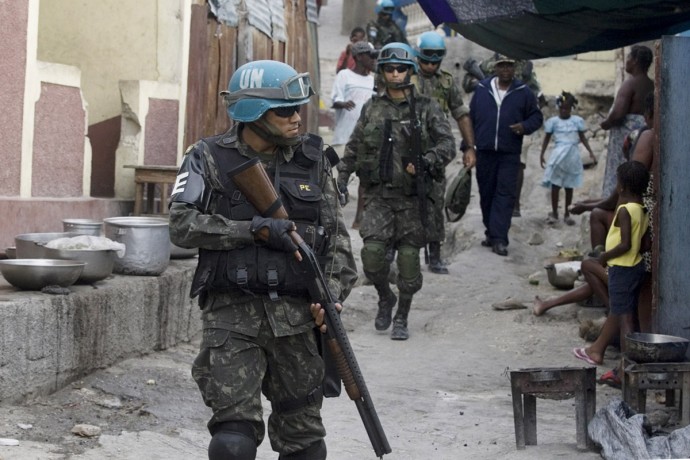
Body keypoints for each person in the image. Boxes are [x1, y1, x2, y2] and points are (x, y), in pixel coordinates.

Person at [168, 60, 358, 460]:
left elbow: (337, 243)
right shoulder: (208, 157)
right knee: (232, 442)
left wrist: (332, 297)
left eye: (297, 108)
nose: (296, 117)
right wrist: (251, 230)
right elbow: (182, 226)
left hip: (297, 318)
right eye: (284, 110)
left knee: (305, 443)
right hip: (231, 316)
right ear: (253, 113)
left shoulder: (314, 158)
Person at [337, 42, 455, 340]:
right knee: (373, 258)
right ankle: (384, 296)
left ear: (410, 71)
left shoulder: (427, 108)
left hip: (414, 199)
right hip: (379, 197)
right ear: (382, 72)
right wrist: (341, 177)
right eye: (389, 68)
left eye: (401, 68)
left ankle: (402, 314)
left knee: (408, 262)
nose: (395, 73)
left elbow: (447, 145)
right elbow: (353, 148)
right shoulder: (372, 108)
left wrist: (427, 160)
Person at [572, 161, 650, 368]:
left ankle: (626, 365)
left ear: (622, 187)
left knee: (625, 320)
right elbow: (645, 244)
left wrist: (605, 256)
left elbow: (625, 244)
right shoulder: (642, 209)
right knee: (625, 314)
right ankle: (621, 359)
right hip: (636, 267)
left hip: (622, 268)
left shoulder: (624, 210)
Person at [413, 31, 476, 274]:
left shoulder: (447, 82)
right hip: (408, 150)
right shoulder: (406, 77)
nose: (430, 65)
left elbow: (460, 114)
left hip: (437, 152)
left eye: (435, 61)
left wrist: (469, 147)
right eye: (426, 60)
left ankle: (435, 254)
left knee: (434, 203)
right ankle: (394, 252)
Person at [469, 54, 543, 256]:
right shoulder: (483, 90)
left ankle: (500, 239)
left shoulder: (524, 92)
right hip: (484, 151)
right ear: (495, 68)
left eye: (509, 66)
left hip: (509, 152)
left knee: (505, 194)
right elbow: (471, 118)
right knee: (487, 193)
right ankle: (490, 232)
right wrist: (467, 146)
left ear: (514, 68)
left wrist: (524, 126)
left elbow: (536, 117)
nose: (506, 70)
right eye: (502, 66)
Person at [331, 40, 378, 229]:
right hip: (344, 137)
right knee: (338, 180)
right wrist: (343, 104)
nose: (374, 59)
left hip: (366, 139)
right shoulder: (345, 76)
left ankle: (359, 219)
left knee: (365, 179)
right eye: (371, 55)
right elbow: (335, 100)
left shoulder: (374, 80)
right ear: (359, 57)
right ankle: (333, 218)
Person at [599, 44, 654, 197]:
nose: (627, 61)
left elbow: (618, 114)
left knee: (623, 173)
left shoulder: (630, 83)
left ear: (635, 60)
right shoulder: (652, 85)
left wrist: (606, 123)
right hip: (643, 137)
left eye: (629, 57)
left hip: (628, 138)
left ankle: (614, 203)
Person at [539, 91, 597, 226]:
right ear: (558, 107)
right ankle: (554, 212)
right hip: (558, 156)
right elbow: (546, 139)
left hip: (572, 156)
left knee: (569, 186)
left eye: (567, 108)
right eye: (562, 108)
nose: (564, 111)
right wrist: (541, 154)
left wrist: (590, 152)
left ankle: (567, 213)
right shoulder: (553, 122)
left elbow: (582, 137)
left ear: (572, 108)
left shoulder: (576, 121)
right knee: (555, 185)